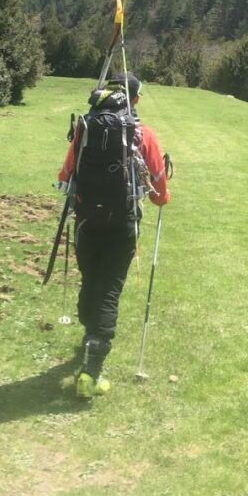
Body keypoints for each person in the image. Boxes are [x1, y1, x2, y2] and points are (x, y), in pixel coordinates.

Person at [57, 72, 169, 399]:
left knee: (91, 279)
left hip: (86, 219)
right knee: (109, 288)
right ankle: (92, 371)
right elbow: (158, 184)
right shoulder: (142, 133)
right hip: (123, 223)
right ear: (134, 99)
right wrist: (162, 198)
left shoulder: (86, 128)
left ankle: (88, 329)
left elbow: (66, 173)